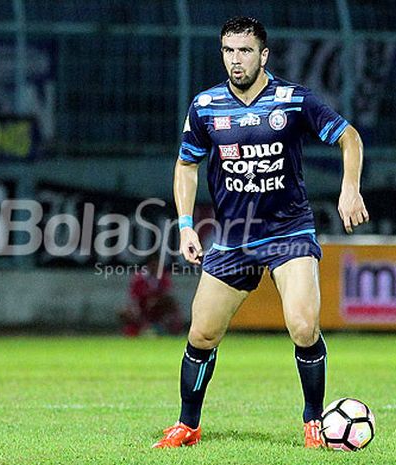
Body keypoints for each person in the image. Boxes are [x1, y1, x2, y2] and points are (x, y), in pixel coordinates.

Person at [152, 17, 368, 449]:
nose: (236, 60)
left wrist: (349, 189)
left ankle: (313, 423)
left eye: (245, 51)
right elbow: (185, 165)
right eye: (229, 51)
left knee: (303, 326)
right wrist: (185, 225)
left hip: (289, 231)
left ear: (263, 55)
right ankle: (188, 426)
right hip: (234, 236)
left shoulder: (292, 100)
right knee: (202, 334)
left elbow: (350, 138)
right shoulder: (205, 106)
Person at [119, 255, 182, 337]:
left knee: (172, 304)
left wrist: (155, 300)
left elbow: (167, 293)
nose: (155, 267)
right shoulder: (139, 278)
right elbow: (134, 297)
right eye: (153, 265)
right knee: (124, 312)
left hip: (158, 307)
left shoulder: (163, 277)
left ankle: (168, 331)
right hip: (142, 307)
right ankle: (136, 330)